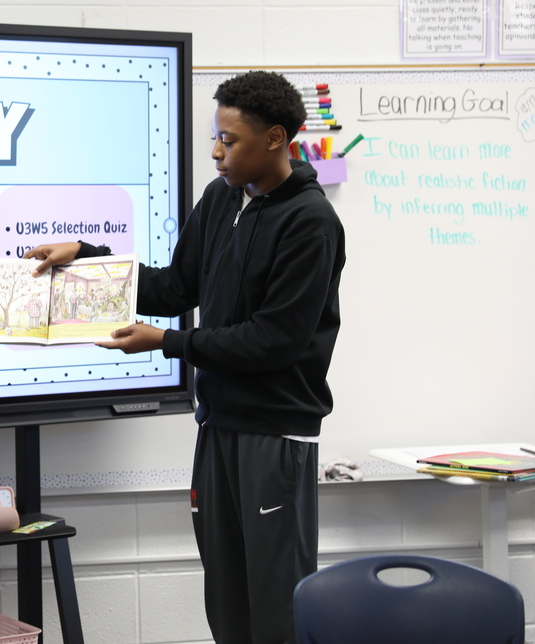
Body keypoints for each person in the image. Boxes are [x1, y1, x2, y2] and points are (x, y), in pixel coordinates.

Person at [24, 70, 345, 644]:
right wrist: (87, 257)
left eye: (230, 140)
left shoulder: (311, 222)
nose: (217, 152)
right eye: (215, 139)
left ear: (275, 139)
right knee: (226, 600)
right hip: (218, 425)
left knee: (276, 609)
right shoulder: (222, 199)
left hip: (275, 434)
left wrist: (168, 343)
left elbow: (273, 341)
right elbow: (175, 288)